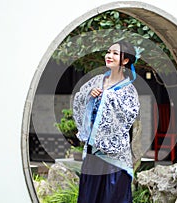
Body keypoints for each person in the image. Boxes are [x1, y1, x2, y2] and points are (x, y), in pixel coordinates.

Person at [73, 40, 140, 203]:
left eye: (115, 53)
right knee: (89, 198)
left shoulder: (128, 89)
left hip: (114, 159)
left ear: (125, 61)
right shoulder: (97, 80)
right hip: (93, 152)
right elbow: (78, 99)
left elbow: (129, 115)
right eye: (108, 52)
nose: (109, 56)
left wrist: (108, 96)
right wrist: (89, 94)